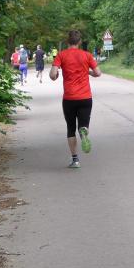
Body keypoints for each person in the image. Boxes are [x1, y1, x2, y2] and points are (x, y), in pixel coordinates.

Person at [50, 30, 102, 168]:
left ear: (68, 41)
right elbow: (98, 73)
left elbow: (53, 75)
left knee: (71, 128)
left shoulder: (61, 55)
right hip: (85, 97)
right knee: (83, 125)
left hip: (69, 98)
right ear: (79, 42)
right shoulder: (87, 55)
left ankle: (75, 160)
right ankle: (84, 130)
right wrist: (88, 72)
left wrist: (56, 75)